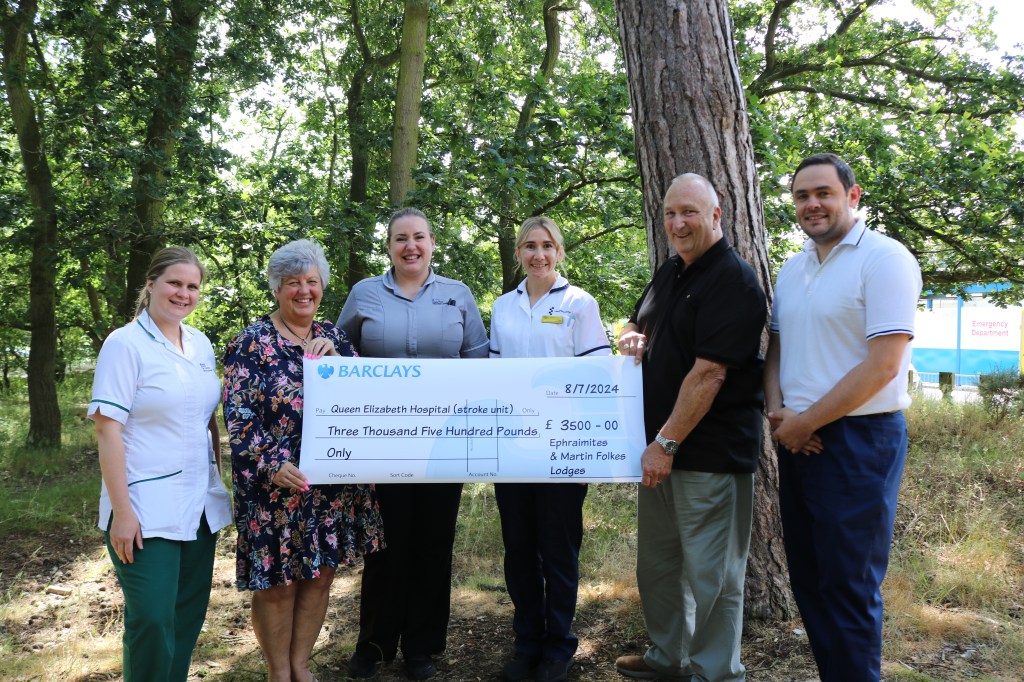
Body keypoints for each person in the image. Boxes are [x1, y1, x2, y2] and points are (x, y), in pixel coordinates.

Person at [764, 153, 922, 681]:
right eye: (802, 196)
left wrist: (806, 422)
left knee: (850, 584)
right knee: (810, 578)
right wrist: (778, 414)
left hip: (860, 440)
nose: (812, 204)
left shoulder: (885, 259)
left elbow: (883, 364)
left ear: (852, 197)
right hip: (797, 437)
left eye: (823, 193)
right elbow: (778, 350)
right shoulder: (793, 267)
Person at [613, 174, 767, 682]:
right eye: (670, 214)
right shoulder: (671, 271)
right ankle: (667, 659)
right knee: (658, 567)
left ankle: (716, 673)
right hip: (659, 453)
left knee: (714, 579)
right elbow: (636, 323)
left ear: (717, 214)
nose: (678, 224)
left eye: (690, 213)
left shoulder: (734, 281)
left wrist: (666, 442)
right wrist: (632, 336)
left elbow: (710, 373)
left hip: (707, 457)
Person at [339, 207, 489, 680]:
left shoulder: (457, 295)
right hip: (380, 444)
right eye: (401, 238)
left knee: (432, 541)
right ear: (388, 246)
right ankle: (375, 644)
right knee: (384, 543)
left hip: (443, 445)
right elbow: (339, 353)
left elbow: (480, 364)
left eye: (419, 237)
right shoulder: (365, 292)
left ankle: (422, 646)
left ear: (432, 243)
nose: (411, 246)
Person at [223, 239, 383, 682]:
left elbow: (368, 404)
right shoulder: (251, 342)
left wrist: (344, 367)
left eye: (311, 282)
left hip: (329, 486)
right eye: (293, 282)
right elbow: (238, 415)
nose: (304, 291)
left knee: (319, 578)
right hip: (276, 486)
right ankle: (278, 673)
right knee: (278, 585)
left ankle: (300, 667)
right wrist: (271, 462)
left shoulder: (335, 337)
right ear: (277, 288)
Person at [89, 247, 233, 682]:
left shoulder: (200, 344)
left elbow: (207, 416)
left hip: (199, 502)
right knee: (151, 618)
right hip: (144, 504)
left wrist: (219, 477)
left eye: (192, 286)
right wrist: (123, 514)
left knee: (185, 617)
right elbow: (107, 430)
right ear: (151, 285)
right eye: (175, 282)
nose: (183, 293)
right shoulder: (124, 344)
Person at [489, 216, 612, 682]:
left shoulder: (580, 303)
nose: (538, 255)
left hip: (563, 446)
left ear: (559, 252)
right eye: (529, 247)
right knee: (519, 549)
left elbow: (597, 376)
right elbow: (494, 377)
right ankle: (527, 643)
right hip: (513, 449)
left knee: (558, 550)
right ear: (519, 253)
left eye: (547, 246)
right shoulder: (503, 306)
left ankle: (559, 646)